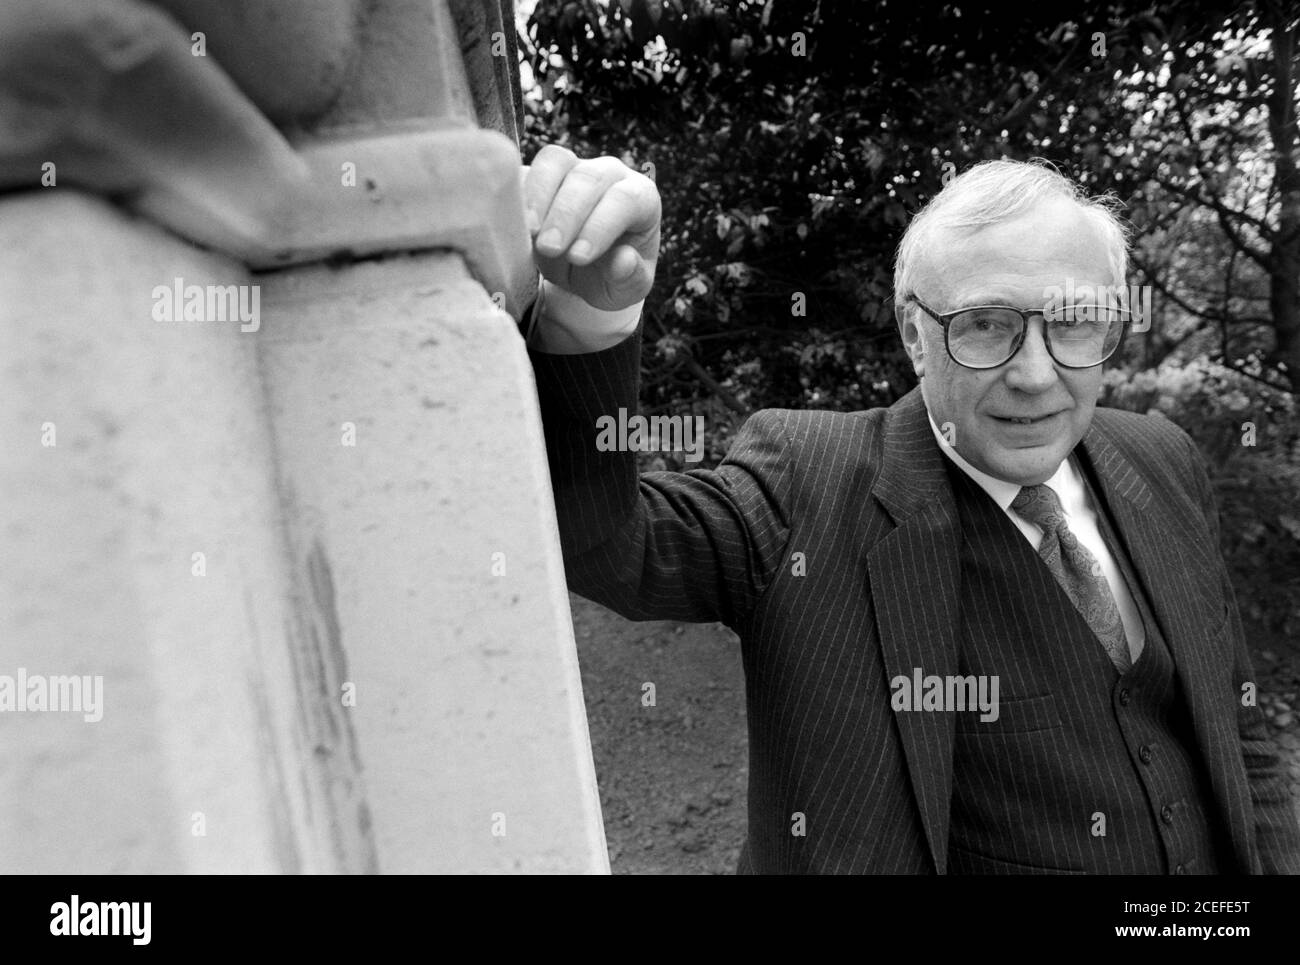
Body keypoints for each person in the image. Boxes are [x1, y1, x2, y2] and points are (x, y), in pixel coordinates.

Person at [520, 146, 1300, 874]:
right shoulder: (807, 483)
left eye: (1072, 321)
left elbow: (1239, 727)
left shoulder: (1161, 458)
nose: (1036, 374)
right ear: (915, 336)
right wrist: (590, 318)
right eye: (986, 325)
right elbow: (607, 544)